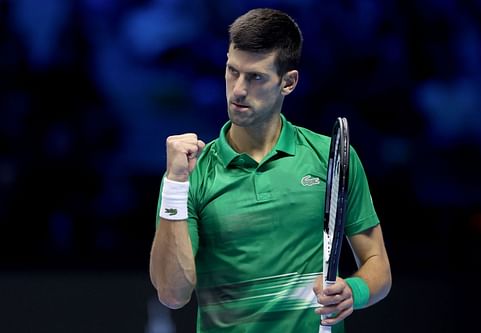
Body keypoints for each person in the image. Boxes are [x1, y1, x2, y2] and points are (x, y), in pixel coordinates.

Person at [150, 8, 391, 333]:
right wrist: (175, 184)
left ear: (288, 82)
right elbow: (172, 294)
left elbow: (377, 265)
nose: (238, 89)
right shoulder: (191, 174)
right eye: (232, 71)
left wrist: (354, 291)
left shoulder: (329, 158)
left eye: (256, 77)